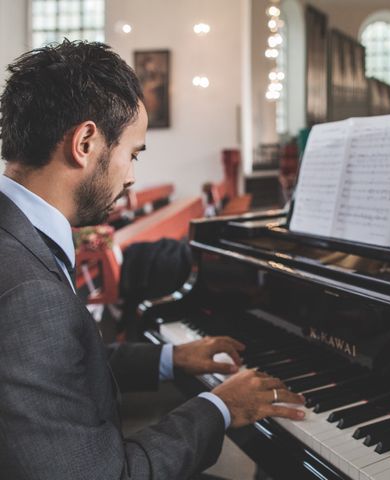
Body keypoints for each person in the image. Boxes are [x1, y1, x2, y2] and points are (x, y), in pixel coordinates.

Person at [0, 40, 305, 479]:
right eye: (132, 153)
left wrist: (169, 358)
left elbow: (56, 363)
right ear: (85, 142)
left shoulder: (16, 235)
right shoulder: (29, 295)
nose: (132, 176)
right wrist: (219, 406)